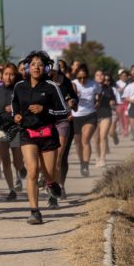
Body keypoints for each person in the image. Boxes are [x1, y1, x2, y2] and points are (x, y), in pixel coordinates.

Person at [12, 51, 69, 224]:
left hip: (47, 134)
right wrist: (16, 116)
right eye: (33, 64)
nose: (36, 67)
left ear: (45, 68)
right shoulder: (19, 86)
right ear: (27, 67)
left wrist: (44, 110)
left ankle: (51, 184)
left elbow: (64, 111)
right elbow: (15, 105)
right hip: (27, 133)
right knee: (32, 171)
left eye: (40, 64)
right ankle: (34, 211)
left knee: (49, 173)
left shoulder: (51, 87)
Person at [0, 63, 24, 201]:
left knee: (17, 161)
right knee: (5, 159)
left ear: (15, 76)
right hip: (0, 129)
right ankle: (11, 189)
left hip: (15, 128)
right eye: (6, 74)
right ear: (1, 76)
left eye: (11, 74)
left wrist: (15, 110)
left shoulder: (19, 90)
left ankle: (20, 173)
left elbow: (25, 108)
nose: (8, 77)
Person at [52, 60, 78, 206]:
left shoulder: (67, 83)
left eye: (57, 70)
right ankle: (50, 182)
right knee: (48, 157)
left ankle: (58, 187)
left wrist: (72, 104)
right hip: (46, 123)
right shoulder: (42, 82)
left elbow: (74, 101)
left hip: (64, 122)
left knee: (60, 157)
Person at [71, 63, 101, 177]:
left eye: (84, 77)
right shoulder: (73, 84)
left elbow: (99, 93)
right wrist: (74, 96)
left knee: (85, 140)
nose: (82, 80)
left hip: (90, 115)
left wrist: (97, 102)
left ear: (88, 76)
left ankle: (86, 165)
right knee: (78, 143)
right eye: (80, 78)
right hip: (76, 116)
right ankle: (81, 162)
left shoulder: (94, 84)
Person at [94, 71, 118, 167]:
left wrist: (112, 102)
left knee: (103, 136)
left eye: (102, 74)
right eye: (97, 75)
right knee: (96, 138)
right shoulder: (91, 88)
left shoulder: (108, 88)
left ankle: (103, 158)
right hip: (93, 115)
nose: (100, 76)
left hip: (106, 114)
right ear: (94, 77)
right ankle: (97, 157)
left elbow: (113, 99)